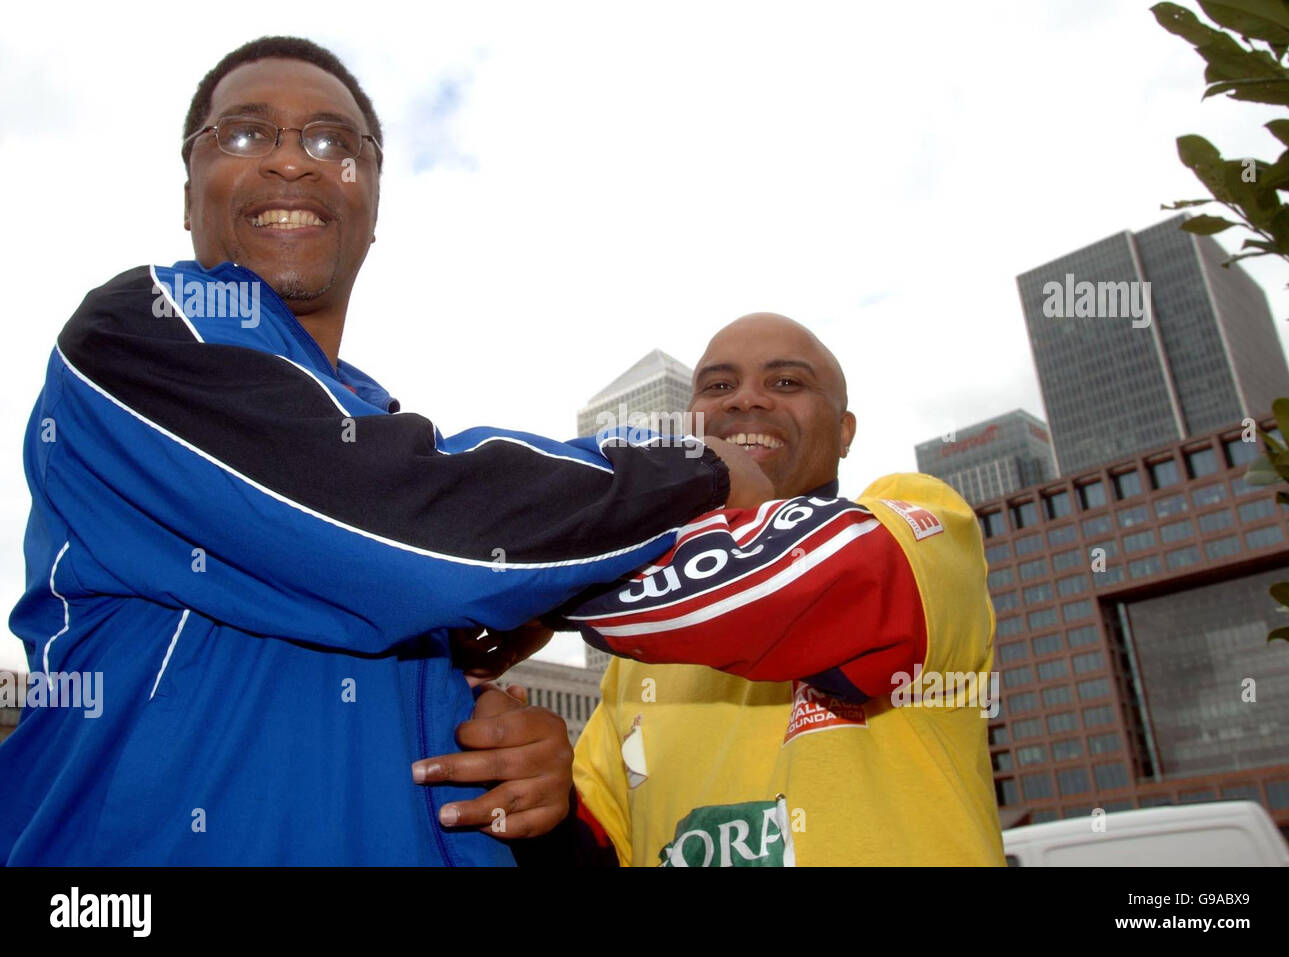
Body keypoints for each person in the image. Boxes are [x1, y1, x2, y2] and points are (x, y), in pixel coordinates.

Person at [0, 36, 770, 866]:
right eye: (247, 134)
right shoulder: (137, 332)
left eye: (333, 142)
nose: (293, 161)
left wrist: (530, 782)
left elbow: (413, 601)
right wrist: (704, 469)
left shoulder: (377, 439)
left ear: (371, 203)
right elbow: (405, 526)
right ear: (188, 194)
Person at [525, 313, 1005, 865]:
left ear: (845, 431)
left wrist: (529, 588)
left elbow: (807, 581)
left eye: (786, 383)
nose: (744, 401)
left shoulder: (921, 523)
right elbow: (602, 846)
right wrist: (544, 801)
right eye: (718, 386)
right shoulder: (635, 667)